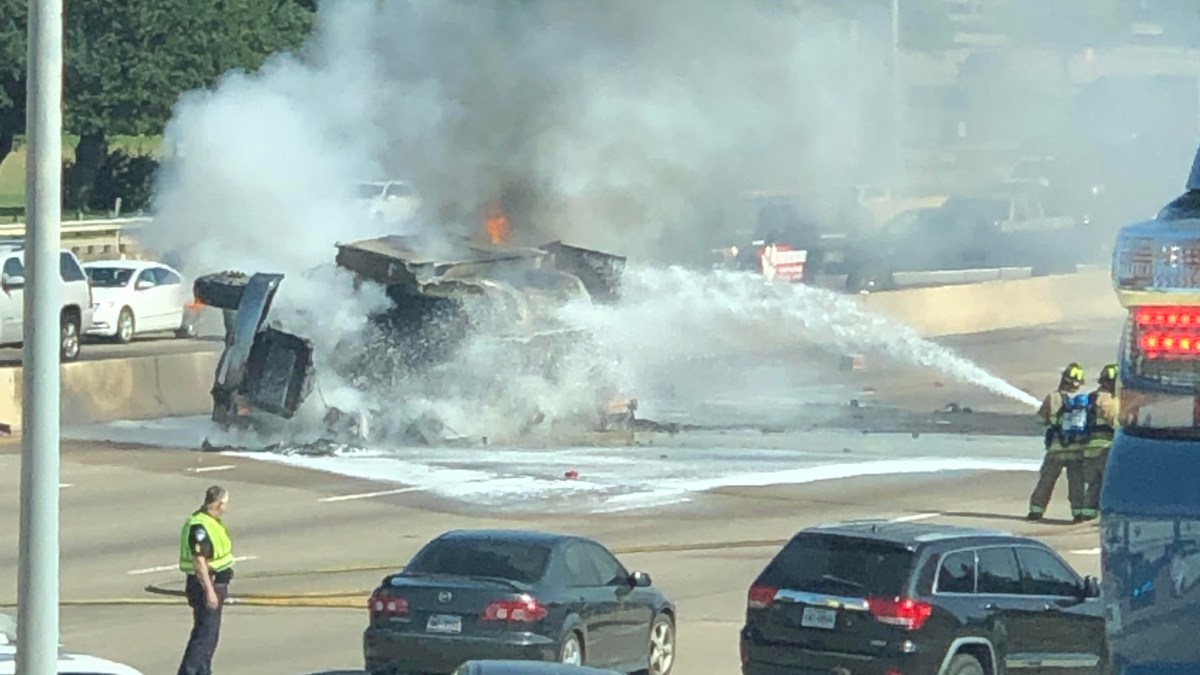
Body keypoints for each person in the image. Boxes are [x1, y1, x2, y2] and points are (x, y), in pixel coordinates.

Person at [177, 485, 235, 675]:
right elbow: (199, 560)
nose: (226, 508)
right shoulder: (200, 526)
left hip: (214, 583)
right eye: (225, 504)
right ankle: (188, 672)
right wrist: (210, 591)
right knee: (204, 636)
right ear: (218, 504)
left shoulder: (211, 521)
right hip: (207, 584)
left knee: (209, 637)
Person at [1027, 363, 1089, 523]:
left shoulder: (1052, 397)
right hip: (1077, 449)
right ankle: (1078, 513)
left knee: (1046, 481)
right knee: (1077, 483)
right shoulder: (1083, 400)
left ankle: (1036, 511)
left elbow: (1040, 419)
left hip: (1056, 448)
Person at [1080, 363, 1119, 521]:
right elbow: (1116, 421)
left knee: (1095, 485)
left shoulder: (1091, 397)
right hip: (1105, 448)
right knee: (1111, 483)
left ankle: (1087, 514)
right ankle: (1111, 514)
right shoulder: (1107, 400)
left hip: (1089, 449)